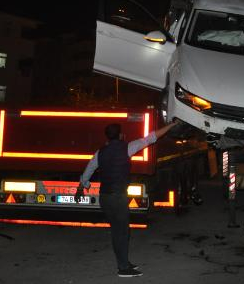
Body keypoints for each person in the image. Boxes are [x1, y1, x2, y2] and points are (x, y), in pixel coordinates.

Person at [77, 119, 179, 278]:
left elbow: (89, 169)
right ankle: (123, 268)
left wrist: (81, 186)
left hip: (105, 197)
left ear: (107, 137)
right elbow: (151, 137)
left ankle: (124, 262)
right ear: (121, 135)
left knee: (117, 231)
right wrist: (172, 125)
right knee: (122, 232)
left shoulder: (100, 152)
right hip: (118, 197)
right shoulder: (127, 148)